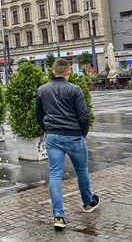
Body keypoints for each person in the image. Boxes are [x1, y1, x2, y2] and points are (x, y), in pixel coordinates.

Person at [36, 59, 100, 230]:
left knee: (55, 174)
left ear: (53, 72)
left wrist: (47, 129)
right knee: (81, 170)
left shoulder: (42, 90)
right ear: (69, 73)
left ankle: (58, 217)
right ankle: (87, 203)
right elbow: (84, 116)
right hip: (74, 136)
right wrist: (82, 133)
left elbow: (38, 116)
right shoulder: (75, 89)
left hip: (53, 137)